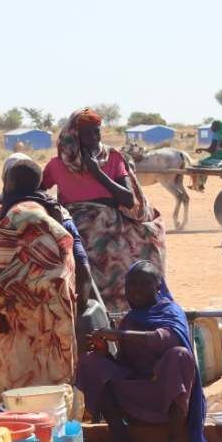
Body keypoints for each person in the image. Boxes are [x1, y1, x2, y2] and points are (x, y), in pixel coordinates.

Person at [78, 260, 207, 442]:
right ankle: (121, 440)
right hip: (136, 392)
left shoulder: (171, 311)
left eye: (143, 284)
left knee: (180, 356)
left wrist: (119, 335)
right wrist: (104, 353)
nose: (136, 290)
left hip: (168, 394)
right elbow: (125, 364)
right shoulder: (129, 319)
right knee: (93, 363)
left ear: (158, 287)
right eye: (131, 285)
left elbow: (166, 338)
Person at [42, 107, 166, 311]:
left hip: (111, 231)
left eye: (97, 130)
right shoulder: (57, 165)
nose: (94, 137)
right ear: (74, 136)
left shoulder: (113, 158)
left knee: (145, 246)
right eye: (88, 132)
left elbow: (128, 199)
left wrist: (97, 172)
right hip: (75, 231)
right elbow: (38, 189)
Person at [0, 160, 76, 398]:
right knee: (55, 406)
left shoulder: (5, 230)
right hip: (57, 339)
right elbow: (68, 286)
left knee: (20, 409)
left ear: (9, 185)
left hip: (17, 337)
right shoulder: (58, 230)